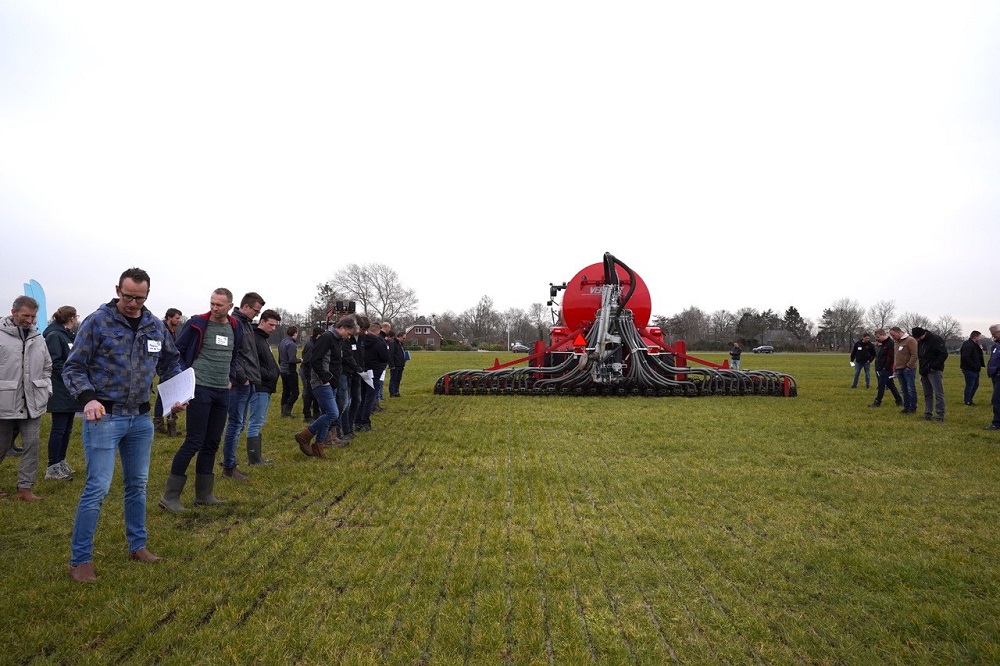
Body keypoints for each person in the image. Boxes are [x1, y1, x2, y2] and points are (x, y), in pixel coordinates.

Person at [63, 268, 186, 583]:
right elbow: (74, 367)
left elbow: (171, 362)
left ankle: (138, 545)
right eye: (128, 296)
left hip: (141, 419)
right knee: (97, 488)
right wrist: (88, 398)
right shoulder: (96, 322)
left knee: (138, 485)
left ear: (147, 295)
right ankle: (80, 560)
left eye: (139, 298)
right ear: (118, 289)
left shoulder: (155, 326)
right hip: (104, 417)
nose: (133, 303)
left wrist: (177, 391)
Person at [159, 288, 241, 513]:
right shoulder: (197, 323)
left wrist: (231, 378)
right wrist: (186, 382)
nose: (215, 308)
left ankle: (204, 494)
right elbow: (177, 353)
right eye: (212, 303)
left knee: (212, 442)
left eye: (220, 305)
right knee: (194, 441)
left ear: (230, 307)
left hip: (222, 391)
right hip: (200, 389)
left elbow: (234, 356)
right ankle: (170, 496)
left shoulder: (236, 326)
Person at [0, 296, 52, 502]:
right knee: (1, 445)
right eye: (25, 316)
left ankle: (25, 489)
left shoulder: (38, 337)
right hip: (4, 402)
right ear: (13, 313)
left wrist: (45, 387)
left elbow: (47, 365)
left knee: (32, 445)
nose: (30, 320)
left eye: (33, 316)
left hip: (33, 403)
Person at [294, 318, 358, 457]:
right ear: (343, 327)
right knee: (332, 414)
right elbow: (315, 360)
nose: (349, 336)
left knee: (326, 414)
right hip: (322, 383)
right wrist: (324, 379)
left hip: (332, 382)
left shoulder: (338, 340)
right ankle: (305, 435)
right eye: (349, 333)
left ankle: (319, 446)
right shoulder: (327, 338)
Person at [221, 292, 264, 482]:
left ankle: (231, 463)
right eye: (256, 310)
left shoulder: (246, 324)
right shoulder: (235, 323)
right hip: (240, 383)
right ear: (245, 307)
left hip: (248, 381)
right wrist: (242, 377)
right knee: (235, 423)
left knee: (240, 423)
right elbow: (233, 353)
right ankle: (229, 466)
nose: (257, 314)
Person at [43, 306, 83, 480]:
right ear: (72, 318)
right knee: (58, 429)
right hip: (60, 388)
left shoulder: (67, 335)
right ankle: (52, 466)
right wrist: (71, 374)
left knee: (67, 429)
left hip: (69, 389)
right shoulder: (54, 335)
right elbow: (54, 362)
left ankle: (61, 461)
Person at [246, 309, 281, 466]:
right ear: (262, 321)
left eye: (275, 326)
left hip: (265, 386)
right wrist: (267, 374)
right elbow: (253, 363)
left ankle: (257, 457)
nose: (273, 328)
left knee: (259, 420)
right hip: (259, 386)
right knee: (256, 421)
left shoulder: (263, 339)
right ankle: (254, 459)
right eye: (270, 324)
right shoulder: (254, 338)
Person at [154, 307, 183, 437]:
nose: (178, 320)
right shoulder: (162, 330)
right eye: (177, 318)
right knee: (164, 396)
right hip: (163, 367)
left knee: (164, 396)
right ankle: (161, 424)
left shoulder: (172, 330)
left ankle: (163, 424)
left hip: (169, 367)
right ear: (169, 317)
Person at [357, 321, 389, 432]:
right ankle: (365, 422)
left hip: (362, 371)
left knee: (361, 397)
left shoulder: (360, 341)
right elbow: (385, 358)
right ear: (378, 331)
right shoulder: (379, 343)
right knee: (369, 398)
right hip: (374, 372)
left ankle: (357, 421)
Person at [911, 326, 948, 422]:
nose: (917, 340)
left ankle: (940, 415)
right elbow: (921, 356)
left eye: (918, 338)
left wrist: (933, 367)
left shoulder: (936, 339)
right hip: (924, 371)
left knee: (938, 393)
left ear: (923, 334)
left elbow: (943, 354)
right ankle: (928, 413)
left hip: (934, 371)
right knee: (927, 393)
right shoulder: (920, 342)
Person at [869, 329, 903, 408]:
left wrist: (885, 368)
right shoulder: (884, 343)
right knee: (890, 385)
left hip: (887, 368)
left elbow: (891, 357)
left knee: (881, 384)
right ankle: (899, 400)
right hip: (882, 367)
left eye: (878, 337)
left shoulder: (890, 343)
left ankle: (877, 401)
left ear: (882, 335)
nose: (877, 339)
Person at [889, 326, 919, 414]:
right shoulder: (896, 343)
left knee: (911, 389)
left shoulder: (910, 340)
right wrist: (894, 369)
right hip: (899, 369)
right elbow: (896, 357)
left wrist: (908, 366)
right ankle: (906, 407)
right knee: (904, 389)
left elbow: (915, 355)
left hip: (908, 369)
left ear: (899, 332)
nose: (893, 337)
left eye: (893, 335)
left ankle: (913, 408)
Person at [299, 326, 323, 423]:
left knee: (316, 394)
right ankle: (307, 414)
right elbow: (307, 360)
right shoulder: (311, 345)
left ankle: (316, 413)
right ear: (318, 335)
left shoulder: (316, 344)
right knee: (309, 394)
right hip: (309, 373)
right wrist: (309, 374)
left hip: (314, 373)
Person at [278, 324, 301, 418]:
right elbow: (292, 360)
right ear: (294, 333)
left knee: (285, 392)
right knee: (295, 393)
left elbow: (280, 359)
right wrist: (300, 360)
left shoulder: (282, 342)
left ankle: (283, 411)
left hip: (283, 370)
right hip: (290, 371)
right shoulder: (292, 344)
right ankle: (287, 411)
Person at [959, 330, 985, 406]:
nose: (980, 338)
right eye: (979, 336)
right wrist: (974, 365)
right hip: (969, 369)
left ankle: (969, 399)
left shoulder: (974, 344)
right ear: (975, 337)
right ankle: (967, 401)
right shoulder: (968, 344)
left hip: (975, 369)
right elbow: (965, 357)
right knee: (970, 385)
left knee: (975, 385)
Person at [983, 324, 1000, 431]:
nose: (993, 336)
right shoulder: (995, 346)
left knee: (996, 399)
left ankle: (996, 422)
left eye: (994, 334)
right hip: (995, 376)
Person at [388, 332, 407, 397]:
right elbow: (391, 354)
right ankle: (392, 393)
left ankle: (396, 391)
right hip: (395, 365)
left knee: (398, 379)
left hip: (400, 365)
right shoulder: (393, 343)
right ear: (400, 336)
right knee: (393, 379)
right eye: (403, 338)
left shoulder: (401, 344)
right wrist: (392, 365)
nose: (404, 340)